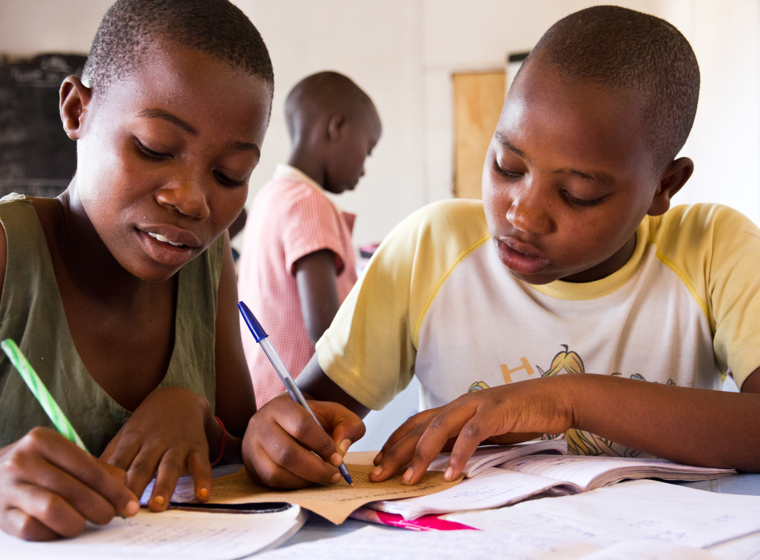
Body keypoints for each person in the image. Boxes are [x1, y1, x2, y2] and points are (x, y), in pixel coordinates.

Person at [242, 5, 760, 490]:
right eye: (507, 167)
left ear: (664, 187)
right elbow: (304, 420)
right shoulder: (432, 248)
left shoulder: (712, 248)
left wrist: (563, 399)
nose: (522, 213)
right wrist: (275, 436)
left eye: (578, 194)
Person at [0, 0, 273, 541]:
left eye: (229, 175)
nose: (192, 201)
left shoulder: (207, 266)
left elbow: (237, 443)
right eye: (154, 148)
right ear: (76, 110)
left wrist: (198, 415)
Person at [237, 71, 381, 407]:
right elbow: (326, 327)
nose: (364, 168)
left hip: (262, 394)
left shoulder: (270, 195)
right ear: (337, 128)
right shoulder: (308, 202)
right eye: (368, 149)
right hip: (295, 406)